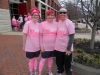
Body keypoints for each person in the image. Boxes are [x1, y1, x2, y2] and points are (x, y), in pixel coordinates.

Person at [55, 8, 75, 75]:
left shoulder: (69, 23)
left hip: (67, 49)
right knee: (59, 63)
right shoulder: (58, 22)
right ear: (59, 14)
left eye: (64, 12)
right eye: (61, 13)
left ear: (66, 14)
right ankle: (60, 72)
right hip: (58, 47)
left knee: (67, 65)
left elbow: (71, 36)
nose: (62, 14)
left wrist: (68, 49)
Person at [38, 9, 58, 75]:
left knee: (50, 59)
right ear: (46, 16)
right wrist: (41, 46)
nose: (50, 17)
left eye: (52, 15)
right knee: (43, 60)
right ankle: (40, 72)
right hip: (45, 47)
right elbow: (40, 36)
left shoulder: (56, 24)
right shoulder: (42, 24)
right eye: (49, 15)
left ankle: (49, 70)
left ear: (54, 16)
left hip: (53, 46)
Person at [23, 7, 40, 75]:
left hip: (37, 46)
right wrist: (23, 45)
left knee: (36, 59)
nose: (36, 16)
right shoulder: (28, 23)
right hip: (29, 46)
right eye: (34, 15)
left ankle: (35, 71)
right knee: (31, 60)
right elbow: (24, 35)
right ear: (32, 15)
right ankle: (31, 72)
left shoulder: (39, 24)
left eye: (37, 15)